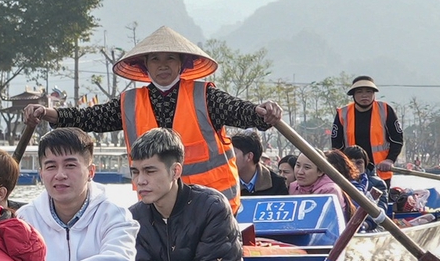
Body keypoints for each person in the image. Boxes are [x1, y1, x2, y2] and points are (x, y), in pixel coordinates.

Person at [22, 27, 283, 212]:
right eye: (155, 59)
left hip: (212, 203)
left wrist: (263, 112)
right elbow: (89, 117)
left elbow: (242, 110)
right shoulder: (130, 102)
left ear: (182, 64)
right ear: (146, 67)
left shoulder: (206, 96)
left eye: (170, 57)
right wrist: (47, 113)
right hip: (158, 203)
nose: (163, 64)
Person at [17, 126, 142, 261]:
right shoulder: (25, 218)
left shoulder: (113, 214)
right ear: (41, 173)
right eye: (50, 166)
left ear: (90, 172)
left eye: (70, 165)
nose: (60, 175)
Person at [128, 128, 252, 261]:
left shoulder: (212, 206)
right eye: (135, 172)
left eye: (150, 171)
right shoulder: (135, 217)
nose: (140, 181)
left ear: (175, 171)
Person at [330, 76, 403, 176]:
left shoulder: (385, 110)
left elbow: (397, 139)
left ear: (374, 94)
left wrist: (390, 160)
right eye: (359, 92)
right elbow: (337, 145)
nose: (364, 95)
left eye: (368, 91)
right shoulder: (343, 113)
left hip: (380, 170)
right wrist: (342, 165)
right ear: (353, 95)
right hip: (352, 171)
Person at [232, 131, 292, 198]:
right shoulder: (223, 182)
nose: (228, 158)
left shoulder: (277, 184)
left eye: (233, 153)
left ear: (249, 157)